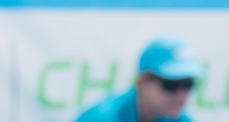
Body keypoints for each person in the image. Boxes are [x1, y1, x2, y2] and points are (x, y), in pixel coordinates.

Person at [75, 36, 204, 122]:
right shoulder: (101, 118)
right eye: (170, 84)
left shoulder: (179, 118)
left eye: (188, 84)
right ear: (142, 83)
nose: (181, 95)